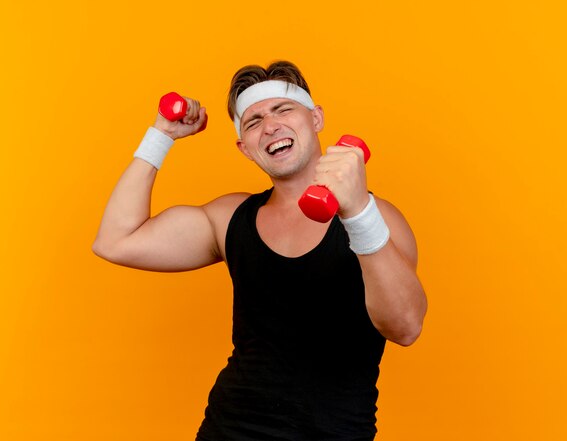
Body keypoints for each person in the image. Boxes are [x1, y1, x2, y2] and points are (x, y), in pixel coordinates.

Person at [93, 60, 427, 440]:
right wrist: (161, 134)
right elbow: (115, 240)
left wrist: (357, 212)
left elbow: (405, 327)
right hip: (229, 429)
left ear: (316, 118)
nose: (270, 125)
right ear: (245, 148)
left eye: (283, 109)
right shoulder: (229, 218)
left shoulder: (376, 217)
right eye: (253, 122)